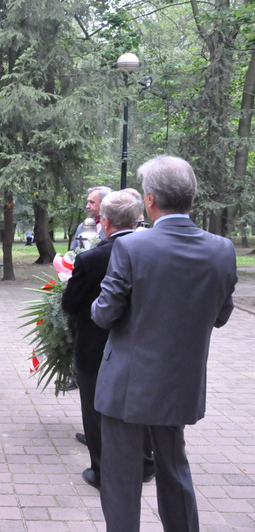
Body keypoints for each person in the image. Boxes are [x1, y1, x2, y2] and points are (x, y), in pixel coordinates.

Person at [91, 156, 237, 531]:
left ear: (150, 200)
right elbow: (221, 315)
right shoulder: (222, 249)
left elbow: (104, 314)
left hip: (127, 384)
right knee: (174, 471)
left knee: (121, 482)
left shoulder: (131, 247)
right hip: (179, 383)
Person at [61, 190, 154, 490]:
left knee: (94, 408)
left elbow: (70, 304)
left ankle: (101, 471)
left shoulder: (91, 258)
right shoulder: (152, 251)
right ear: (137, 219)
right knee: (139, 404)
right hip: (142, 345)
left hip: (95, 346)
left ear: (105, 222)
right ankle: (146, 463)